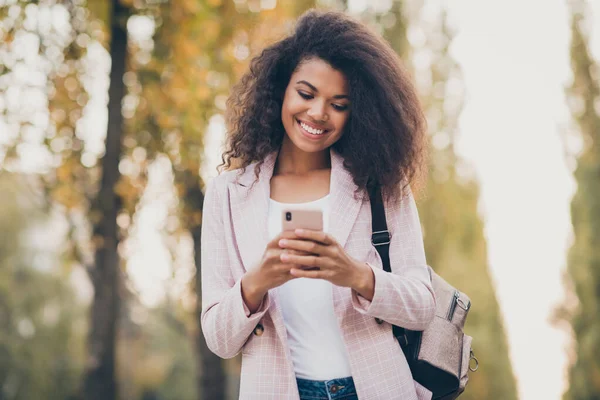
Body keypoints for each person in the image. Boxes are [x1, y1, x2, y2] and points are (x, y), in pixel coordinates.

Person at [201, 9, 436, 400]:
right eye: (306, 94)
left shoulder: (380, 186)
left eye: (338, 104)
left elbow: (423, 306)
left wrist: (356, 275)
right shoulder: (228, 194)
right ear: (282, 89)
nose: (317, 113)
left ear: (356, 113)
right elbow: (219, 340)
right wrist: (256, 282)